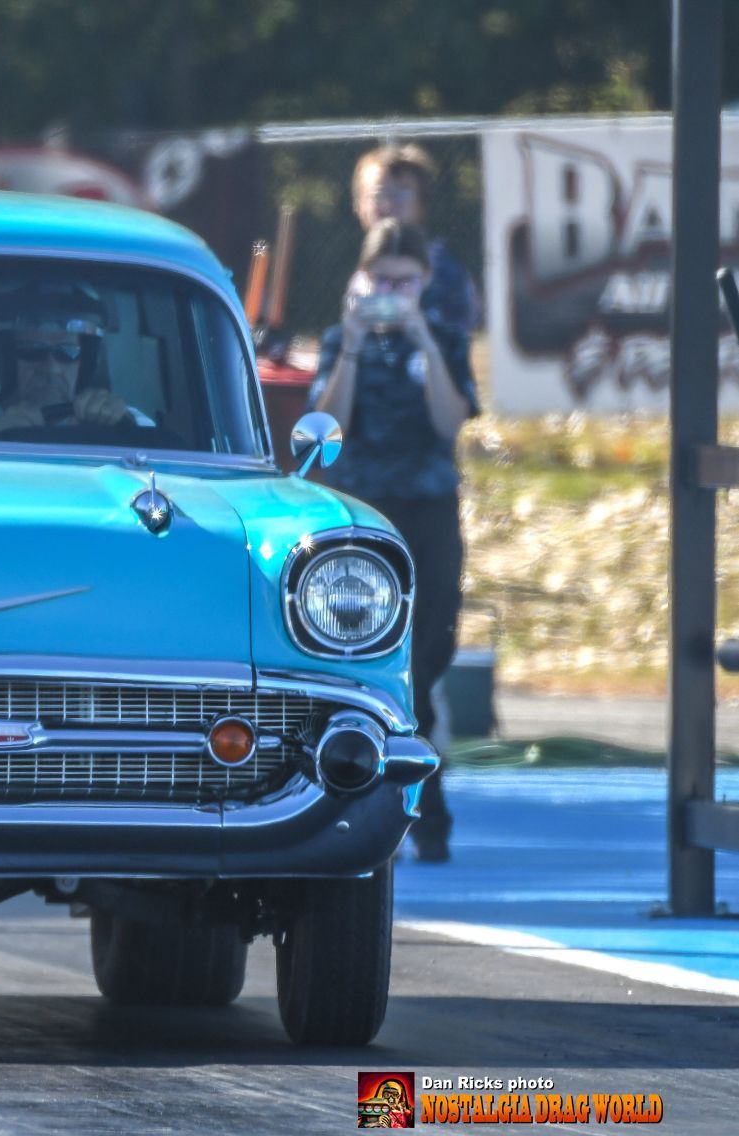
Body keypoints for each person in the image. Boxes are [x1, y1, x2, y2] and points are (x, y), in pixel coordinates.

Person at [311, 219, 478, 863]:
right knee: (360, 661)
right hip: (363, 511)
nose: (390, 293)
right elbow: (328, 428)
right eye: (379, 280)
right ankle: (363, 809)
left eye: (404, 282)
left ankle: (427, 812)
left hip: (429, 509)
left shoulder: (446, 340)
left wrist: (423, 338)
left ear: (426, 282)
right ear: (360, 279)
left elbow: (449, 420)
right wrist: (353, 344)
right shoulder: (340, 341)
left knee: (427, 659)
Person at [0, 281, 156, 439]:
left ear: (86, 361)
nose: (51, 368)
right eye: (32, 351)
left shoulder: (120, 419)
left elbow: (160, 448)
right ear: (4, 358)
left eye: (67, 352)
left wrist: (122, 425)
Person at [350, 143, 481, 333]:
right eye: (378, 194)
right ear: (359, 205)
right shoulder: (361, 276)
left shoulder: (442, 271)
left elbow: (448, 339)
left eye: (401, 193)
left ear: (422, 204)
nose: (389, 204)